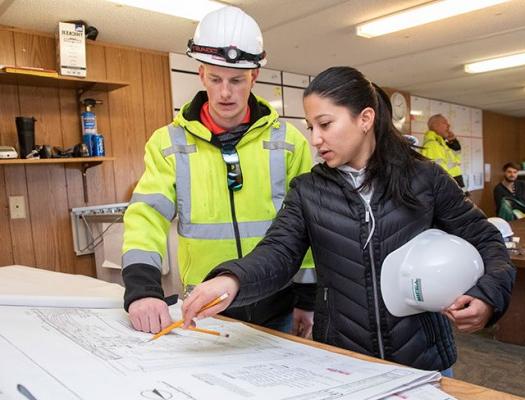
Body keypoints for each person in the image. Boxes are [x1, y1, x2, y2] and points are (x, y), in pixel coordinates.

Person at [181, 66, 515, 375]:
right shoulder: (309, 191)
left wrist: (488, 296)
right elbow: (278, 253)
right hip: (344, 361)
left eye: (325, 125)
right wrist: (232, 280)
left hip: (423, 361)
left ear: (365, 118)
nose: (315, 139)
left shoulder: (424, 178)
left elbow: (485, 240)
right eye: (312, 127)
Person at [122, 6, 316, 337]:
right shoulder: (169, 143)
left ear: (254, 76)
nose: (225, 92)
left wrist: (308, 298)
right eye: (215, 79)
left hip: (278, 306)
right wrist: (142, 290)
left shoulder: (290, 143)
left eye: (237, 80)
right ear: (201, 74)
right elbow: (146, 217)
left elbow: (308, 228)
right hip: (206, 310)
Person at [421, 114, 467, 192]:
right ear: (435, 126)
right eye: (445, 123)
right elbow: (439, 174)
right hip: (449, 192)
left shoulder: (441, 143)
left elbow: (456, 157)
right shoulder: (432, 144)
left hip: (454, 190)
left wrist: (452, 141)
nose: (449, 125)